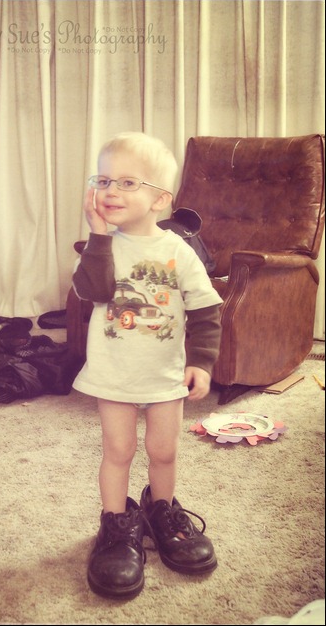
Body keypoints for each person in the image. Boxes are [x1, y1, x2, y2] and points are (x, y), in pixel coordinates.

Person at [72, 131, 223, 599]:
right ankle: (116, 526)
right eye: (103, 180)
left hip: (164, 376)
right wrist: (98, 235)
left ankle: (162, 512)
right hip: (114, 375)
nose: (111, 190)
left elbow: (206, 310)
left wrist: (201, 362)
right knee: (117, 451)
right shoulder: (102, 246)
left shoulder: (178, 251)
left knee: (164, 451)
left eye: (127, 182)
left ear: (159, 200)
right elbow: (93, 291)